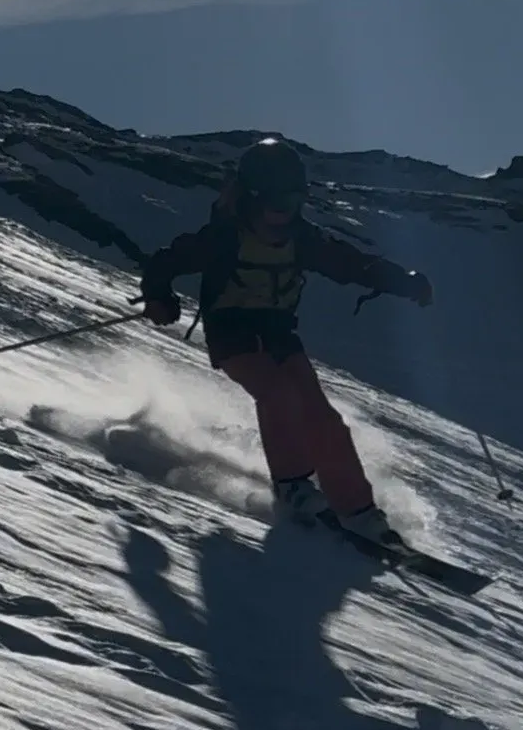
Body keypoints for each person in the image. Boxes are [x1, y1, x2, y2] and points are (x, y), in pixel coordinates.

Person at [140, 135, 433, 547]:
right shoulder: (224, 236)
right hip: (232, 333)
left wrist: (403, 282)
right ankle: (293, 487)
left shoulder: (304, 239)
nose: (280, 215)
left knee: (322, 417)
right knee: (278, 396)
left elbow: (351, 263)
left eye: (291, 203)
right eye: (272, 203)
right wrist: (160, 297)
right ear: (248, 198)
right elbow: (167, 261)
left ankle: (358, 510)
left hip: (279, 334)